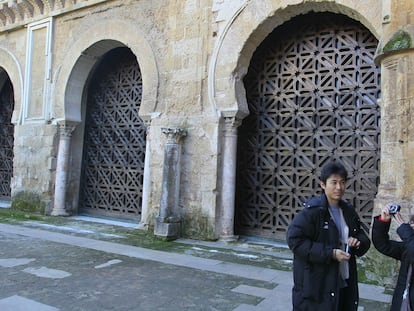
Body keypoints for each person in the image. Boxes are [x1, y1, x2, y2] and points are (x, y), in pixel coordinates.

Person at [286, 160, 371, 310]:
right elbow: (295, 241)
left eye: (342, 182)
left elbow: (363, 237)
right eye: (334, 182)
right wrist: (330, 253)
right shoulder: (312, 212)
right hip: (317, 286)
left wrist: (357, 242)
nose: (339, 187)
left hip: (344, 280)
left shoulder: (348, 211)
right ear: (323, 184)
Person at [371, 205, 414, 311]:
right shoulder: (408, 247)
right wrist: (383, 221)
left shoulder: (410, 242)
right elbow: (383, 245)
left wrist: (405, 230)